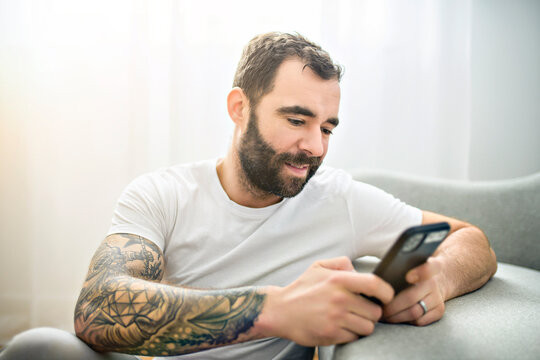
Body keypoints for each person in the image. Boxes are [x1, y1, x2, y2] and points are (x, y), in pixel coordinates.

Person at [0, 32, 497, 360]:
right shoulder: (163, 193)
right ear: (240, 107)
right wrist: (276, 310)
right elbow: (96, 309)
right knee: (37, 347)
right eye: (297, 120)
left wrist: (440, 277)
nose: (315, 146)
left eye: (327, 127)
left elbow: (472, 240)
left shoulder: (339, 200)